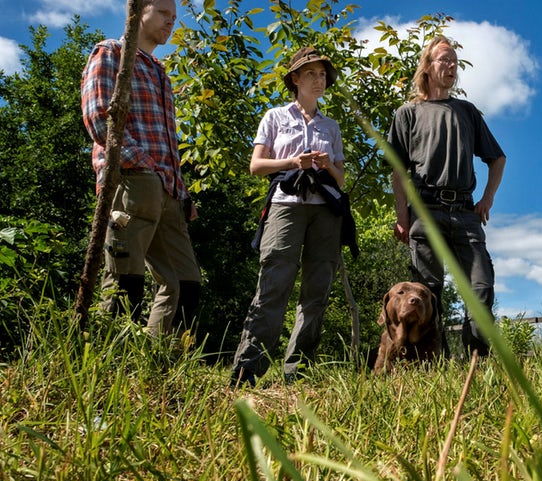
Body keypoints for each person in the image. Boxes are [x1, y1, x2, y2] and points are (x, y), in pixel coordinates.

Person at [230, 47, 356, 387]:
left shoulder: (331, 126)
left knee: (317, 290)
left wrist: (327, 164)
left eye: (323, 75)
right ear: (295, 79)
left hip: (325, 210)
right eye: (311, 74)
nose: (319, 80)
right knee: (274, 284)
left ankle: (297, 372)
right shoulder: (274, 117)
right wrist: (292, 163)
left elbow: (341, 179)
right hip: (285, 205)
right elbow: (256, 166)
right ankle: (247, 371)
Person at [81, 0, 201, 335]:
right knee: (125, 280)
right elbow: (99, 118)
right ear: (138, 11)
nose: (170, 22)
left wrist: (181, 191)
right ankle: (111, 371)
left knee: (185, 284)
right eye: (163, 13)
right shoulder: (111, 53)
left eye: (174, 17)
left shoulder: (161, 73)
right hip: (132, 181)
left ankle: (157, 369)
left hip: (169, 193)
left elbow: (168, 144)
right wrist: (143, 168)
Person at [387, 35, 506, 357]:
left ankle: (475, 362)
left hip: (466, 214)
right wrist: (403, 218)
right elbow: (398, 171)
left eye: (454, 61)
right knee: (426, 293)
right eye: (444, 59)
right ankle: (428, 364)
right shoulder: (407, 113)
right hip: (425, 212)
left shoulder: (467, 112)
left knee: (481, 287)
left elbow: (497, 158)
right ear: (427, 67)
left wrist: (487, 199)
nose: (452, 65)